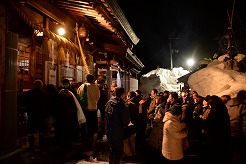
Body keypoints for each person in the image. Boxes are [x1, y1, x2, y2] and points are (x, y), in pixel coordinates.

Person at [77, 74, 100, 161]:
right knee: (93, 127)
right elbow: (98, 97)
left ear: (86, 79)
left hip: (85, 110)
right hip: (93, 109)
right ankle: (92, 142)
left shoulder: (82, 86)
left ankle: (85, 141)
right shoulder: (96, 87)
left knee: (85, 126)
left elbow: (79, 96)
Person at [105, 87, 130, 164]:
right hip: (118, 132)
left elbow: (105, 116)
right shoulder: (121, 106)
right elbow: (125, 121)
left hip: (109, 131)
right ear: (122, 95)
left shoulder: (108, 103)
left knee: (111, 150)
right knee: (118, 151)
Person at [24, 79, 48, 159]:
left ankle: (31, 149)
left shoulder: (28, 94)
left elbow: (25, 104)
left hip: (31, 116)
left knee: (31, 133)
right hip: (41, 116)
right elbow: (46, 106)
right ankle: (42, 147)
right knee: (41, 132)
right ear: (41, 86)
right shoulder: (44, 94)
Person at [226, 90, 246, 164]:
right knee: (240, 156)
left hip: (228, 133)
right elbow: (245, 123)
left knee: (230, 155)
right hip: (239, 135)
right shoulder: (243, 106)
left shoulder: (227, 105)